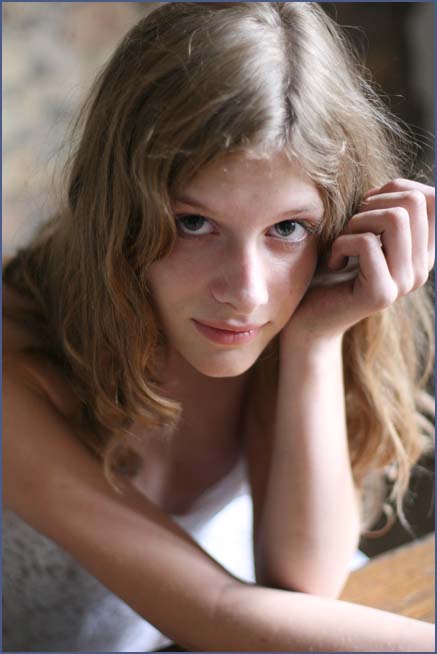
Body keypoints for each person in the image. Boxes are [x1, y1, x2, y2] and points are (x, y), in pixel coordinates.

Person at [3, 2, 435, 651]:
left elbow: (305, 584)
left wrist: (314, 341)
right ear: (118, 211)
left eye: (286, 228)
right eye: (194, 223)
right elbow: (219, 611)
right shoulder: (16, 364)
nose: (246, 291)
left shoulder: (275, 326)